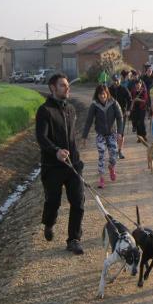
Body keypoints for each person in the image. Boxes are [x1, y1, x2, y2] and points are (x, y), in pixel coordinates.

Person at [35, 73, 85, 255]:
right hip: (52, 166)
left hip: (73, 165)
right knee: (53, 202)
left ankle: (74, 239)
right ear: (53, 88)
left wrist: (77, 160)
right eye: (63, 85)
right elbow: (41, 137)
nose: (67, 88)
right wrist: (56, 150)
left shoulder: (71, 109)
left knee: (78, 202)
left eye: (67, 85)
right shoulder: (44, 111)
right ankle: (49, 223)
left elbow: (72, 137)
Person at [82, 85, 123, 189]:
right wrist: (84, 136)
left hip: (112, 133)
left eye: (104, 93)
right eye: (100, 94)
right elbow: (89, 121)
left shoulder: (113, 103)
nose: (102, 96)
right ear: (97, 95)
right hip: (100, 134)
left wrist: (120, 133)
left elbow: (119, 117)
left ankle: (111, 167)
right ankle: (101, 179)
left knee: (113, 155)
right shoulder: (94, 105)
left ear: (107, 93)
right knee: (101, 155)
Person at [108, 74, 132, 159]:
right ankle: (114, 150)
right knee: (112, 133)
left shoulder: (124, 89)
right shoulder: (109, 89)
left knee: (121, 133)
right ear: (112, 80)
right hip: (111, 114)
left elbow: (130, 99)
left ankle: (120, 150)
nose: (116, 82)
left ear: (120, 80)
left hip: (122, 114)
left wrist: (128, 110)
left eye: (117, 80)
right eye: (114, 80)